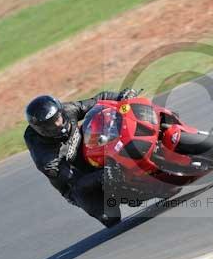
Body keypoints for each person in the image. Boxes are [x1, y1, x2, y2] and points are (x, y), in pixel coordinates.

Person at [24, 89, 137, 228]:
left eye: (58, 118)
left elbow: (98, 100)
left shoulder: (66, 110)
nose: (58, 123)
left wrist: (122, 96)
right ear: (41, 129)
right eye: (51, 124)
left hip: (88, 149)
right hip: (80, 184)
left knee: (106, 120)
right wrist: (103, 174)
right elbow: (77, 182)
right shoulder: (48, 160)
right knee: (111, 217)